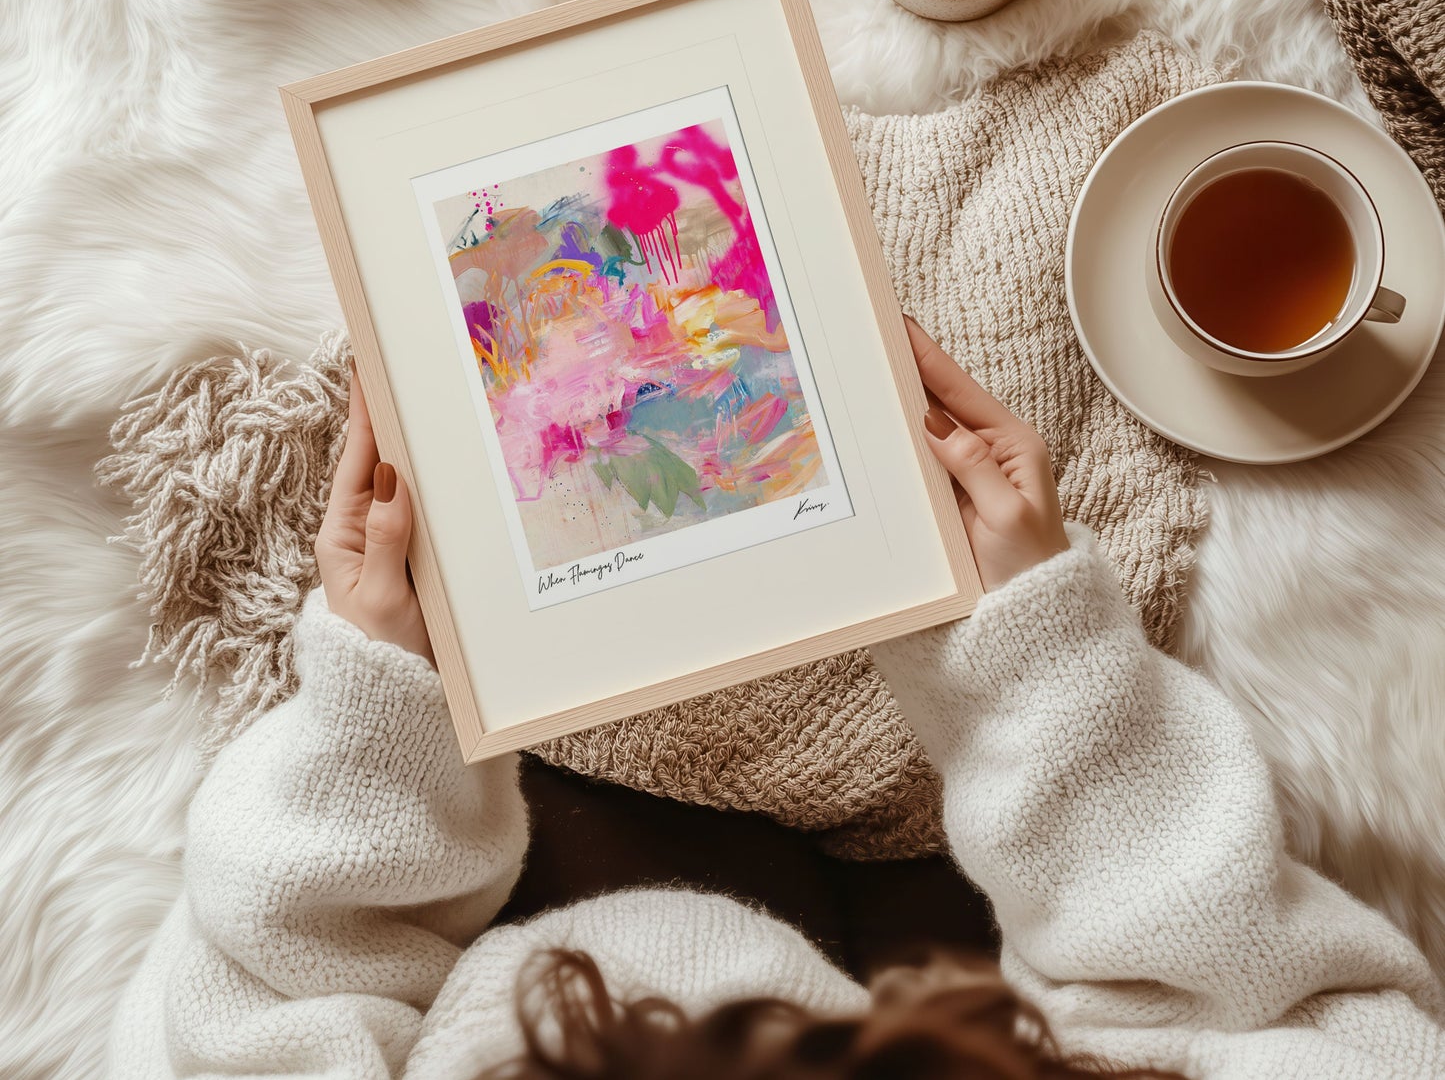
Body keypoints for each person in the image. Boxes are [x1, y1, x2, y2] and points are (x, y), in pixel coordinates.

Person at [107, 321, 1445, 1078]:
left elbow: (229, 1005)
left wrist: (375, 716)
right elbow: (1318, 1031)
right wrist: (1041, 656)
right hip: (968, 991)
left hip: (499, 946)